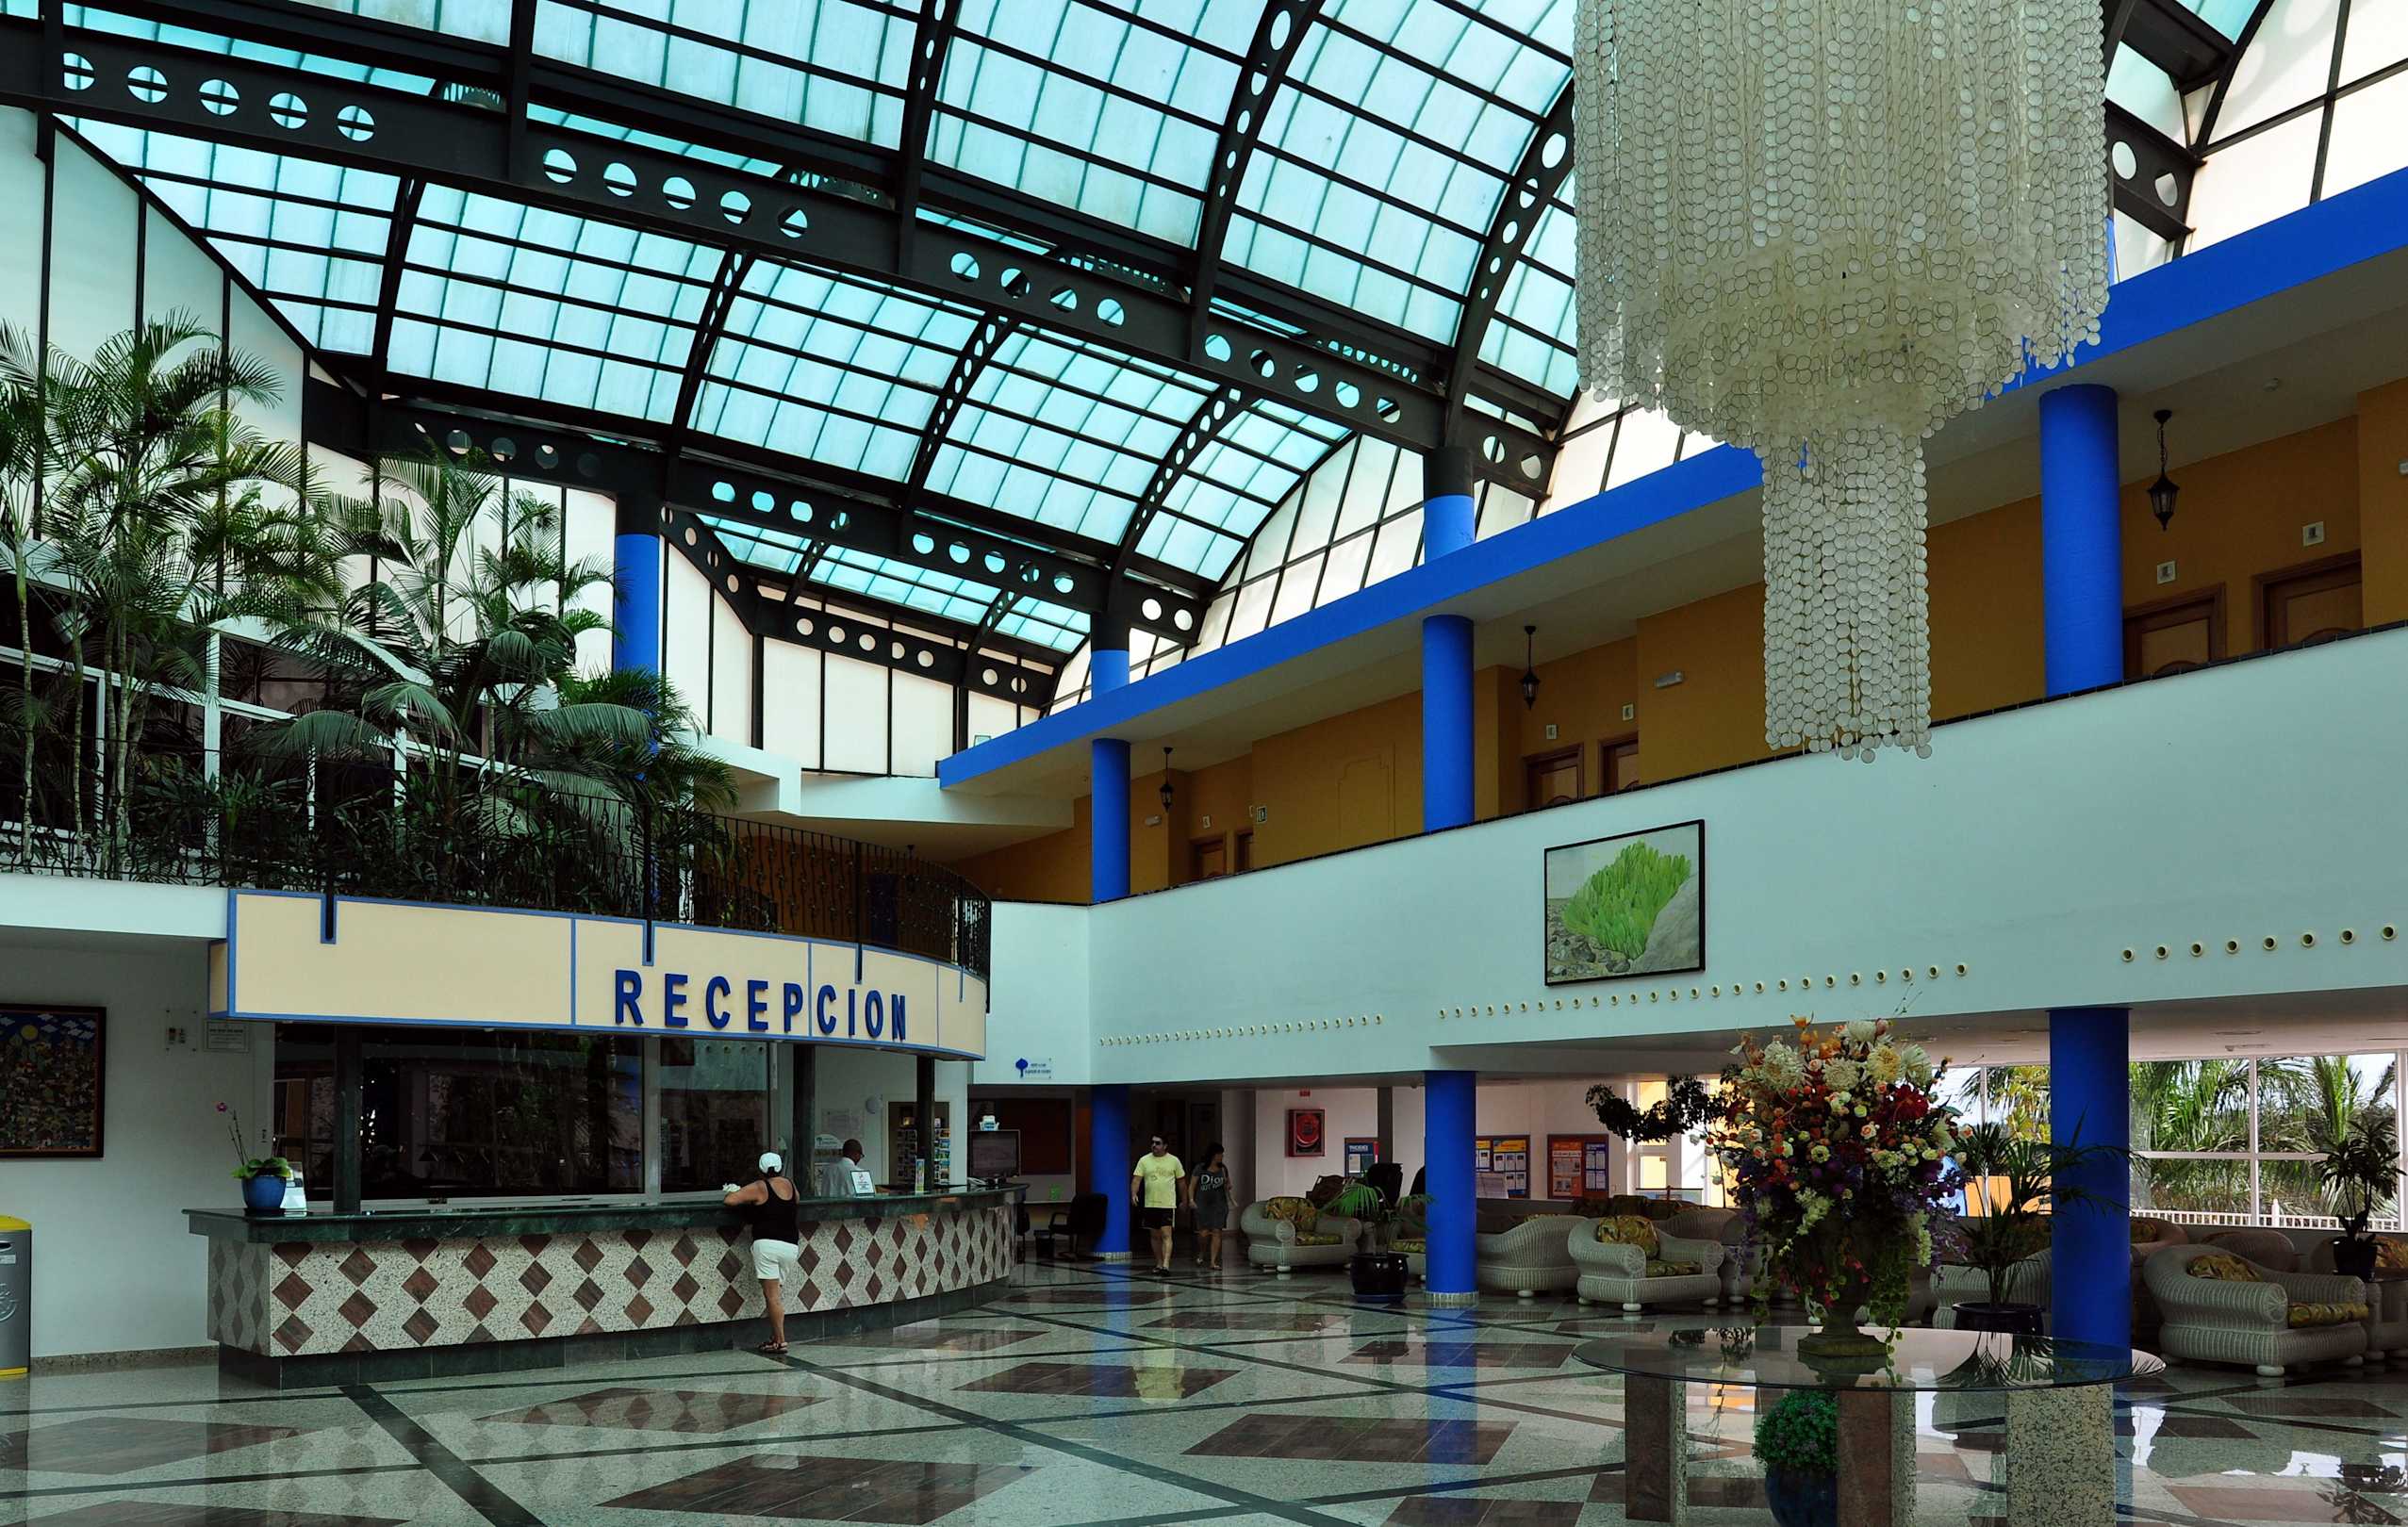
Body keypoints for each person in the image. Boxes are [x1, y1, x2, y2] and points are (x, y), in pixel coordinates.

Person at [722, 1151, 801, 1354]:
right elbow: (795, 1203)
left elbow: (730, 1200)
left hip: (767, 1245)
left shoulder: (760, 1186)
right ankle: (775, 1338)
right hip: (790, 1246)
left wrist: (740, 1194)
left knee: (772, 1296)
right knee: (775, 1294)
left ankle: (780, 1341)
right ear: (780, 1167)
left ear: (761, 1169)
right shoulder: (791, 1186)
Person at [1130, 1133, 1184, 1273]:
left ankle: (1166, 1265)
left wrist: (1184, 1200)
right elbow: (1137, 1179)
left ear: (1165, 1146)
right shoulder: (1144, 1160)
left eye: (1158, 1143)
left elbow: (1181, 1182)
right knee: (1155, 1235)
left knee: (1166, 1234)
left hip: (1167, 1204)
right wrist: (1134, 1194)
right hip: (1150, 1204)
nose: (1154, 1145)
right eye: (1153, 1142)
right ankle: (1159, 1263)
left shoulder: (1174, 1161)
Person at [1188, 1143, 1229, 1272]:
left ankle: (1213, 1261)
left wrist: (1228, 1185)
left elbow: (1228, 1184)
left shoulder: (1223, 1168)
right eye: (1220, 1154)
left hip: (1219, 1204)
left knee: (1217, 1231)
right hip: (1203, 1203)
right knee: (1204, 1233)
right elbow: (1192, 1186)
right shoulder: (1200, 1168)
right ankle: (1201, 1252)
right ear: (1213, 1155)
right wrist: (1191, 1200)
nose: (1222, 1156)